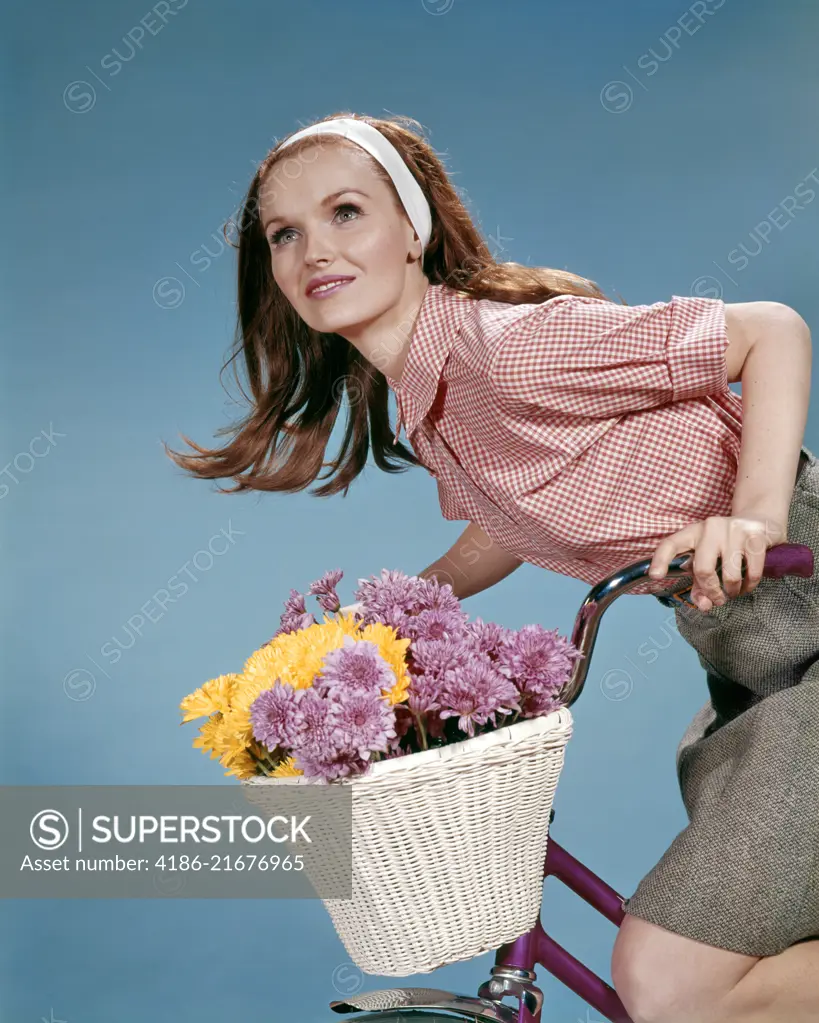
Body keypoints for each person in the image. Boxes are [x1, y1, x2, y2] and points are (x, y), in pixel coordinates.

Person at [163, 112, 818, 1022]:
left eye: (345, 211)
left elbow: (771, 332)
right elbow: (512, 517)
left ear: (412, 230)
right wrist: (390, 616)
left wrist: (752, 515)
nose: (313, 248)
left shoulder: (507, 348)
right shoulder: (435, 397)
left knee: (674, 983)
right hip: (755, 665)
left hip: (806, 618)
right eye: (284, 232)